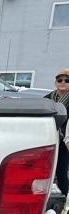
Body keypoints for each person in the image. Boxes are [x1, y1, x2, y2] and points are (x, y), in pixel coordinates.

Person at [45, 69, 69, 197]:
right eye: (60, 80)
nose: (63, 82)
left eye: (67, 80)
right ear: (55, 82)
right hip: (49, 138)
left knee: (61, 171)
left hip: (65, 141)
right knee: (46, 170)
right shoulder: (49, 98)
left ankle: (64, 197)